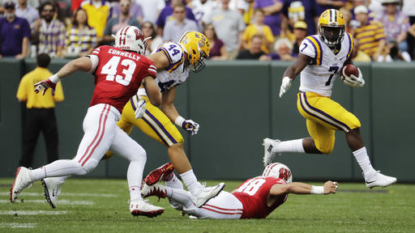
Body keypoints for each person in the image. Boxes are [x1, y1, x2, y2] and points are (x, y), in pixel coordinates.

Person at [41, 30, 225, 210]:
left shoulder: (183, 71)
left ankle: (56, 177)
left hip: (133, 103)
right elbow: (141, 65)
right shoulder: (175, 53)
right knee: (175, 141)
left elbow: (167, 104)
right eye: (201, 55)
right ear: (193, 49)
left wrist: (182, 121)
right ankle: (196, 190)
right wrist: (142, 93)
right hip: (137, 99)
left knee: (102, 152)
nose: (201, 60)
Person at [10, 25, 165, 217]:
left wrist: (54, 79)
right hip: (106, 114)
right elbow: (157, 100)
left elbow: (75, 64)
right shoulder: (144, 62)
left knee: (138, 154)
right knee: (84, 164)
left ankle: (136, 202)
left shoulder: (105, 51)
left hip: (97, 113)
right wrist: (152, 82)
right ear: (140, 43)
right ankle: (30, 175)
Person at [264, 9, 397, 189]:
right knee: (352, 123)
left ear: (343, 30)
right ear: (321, 29)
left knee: (323, 147)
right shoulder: (313, 44)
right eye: (328, 29)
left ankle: (275, 147)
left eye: (335, 30)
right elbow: (295, 67)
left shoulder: (348, 41)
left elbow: (348, 65)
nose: (332, 33)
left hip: (323, 98)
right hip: (309, 99)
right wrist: (288, 78)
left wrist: (355, 76)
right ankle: (370, 175)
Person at [141, 162, 338, 219]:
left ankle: (170, 178)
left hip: (228, 198)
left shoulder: (255, 179)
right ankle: (160, 189)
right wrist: (322, 189)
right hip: (235, 207)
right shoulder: (277, 185)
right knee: (192, 206)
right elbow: (289, 187)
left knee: (184, 205)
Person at [16, 53, 64, 168]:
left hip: (33, 113)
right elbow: (59, 98)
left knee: (29, 143)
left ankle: (23, 170)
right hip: (48, 112)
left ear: (37, 61)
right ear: (48, 63)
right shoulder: (53, 78)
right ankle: (53, 171)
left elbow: (21, 97)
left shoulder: (27, 77)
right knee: (51, 143)